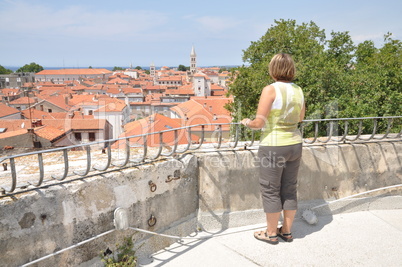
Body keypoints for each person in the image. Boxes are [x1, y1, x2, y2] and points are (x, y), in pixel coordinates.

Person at [241, 53, 305, 244]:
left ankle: (270, 233)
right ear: (291, 69)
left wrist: (246, 122)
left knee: (270, 190)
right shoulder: (299, 90)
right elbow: (300, 118)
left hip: (273, 146)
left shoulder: (270, 90)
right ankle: (286, 231)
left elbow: (259, 123)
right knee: (289, 188)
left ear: (273, 69)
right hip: (295, 143)